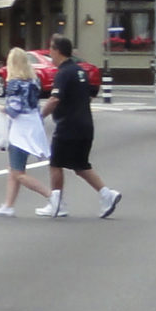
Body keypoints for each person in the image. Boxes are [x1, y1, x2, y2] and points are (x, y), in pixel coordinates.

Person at [43, 34, 122, 218]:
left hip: (68, 126)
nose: (49, 54)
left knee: (55, 163)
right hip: (85, 125)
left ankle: (57, 204)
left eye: (51, 49)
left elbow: (55, 98)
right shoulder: (80, 71)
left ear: (57, 51)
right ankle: (107, 194)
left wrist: (40, 116)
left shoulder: (63, 73)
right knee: (81, 166)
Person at [0, 46, 54, 216]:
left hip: (20, 130)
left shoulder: (14, 83)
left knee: (18, 172)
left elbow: (13, 110)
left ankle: (52, 196)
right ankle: (8, 205)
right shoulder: (34, 81)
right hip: (33, 125)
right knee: (14, 168)